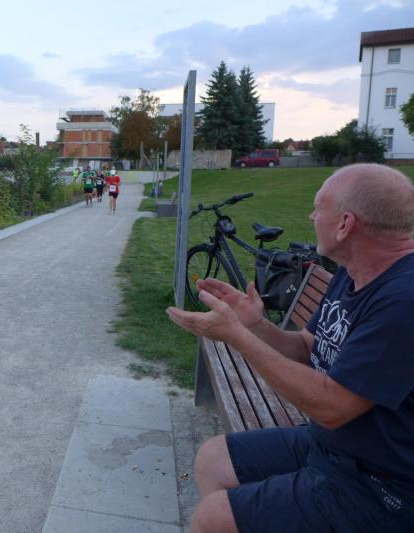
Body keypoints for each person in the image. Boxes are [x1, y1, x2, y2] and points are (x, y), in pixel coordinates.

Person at [167, 163, 414, 532]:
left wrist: (238, 336)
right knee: (213, 459)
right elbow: (306, 348)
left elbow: (332, 407)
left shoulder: (402, 300)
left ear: (345, 224)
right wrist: (255, 325)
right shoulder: (353, 271)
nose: (311, 216)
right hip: (334, 446)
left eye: (318, 208)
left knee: (212, 518)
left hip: (382, 486)